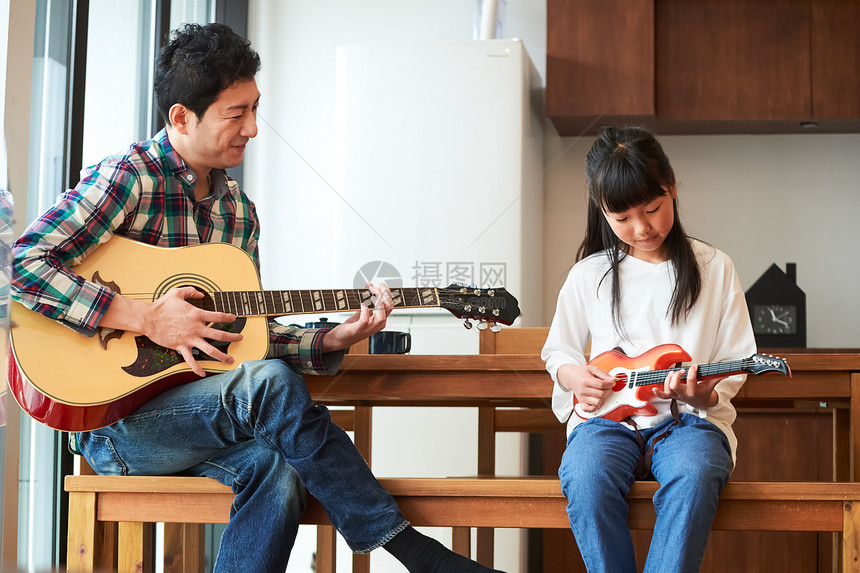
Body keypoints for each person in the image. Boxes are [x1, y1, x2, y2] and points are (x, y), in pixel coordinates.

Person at [12, 22, 502, 573]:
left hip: (204, 417)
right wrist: (147, 316)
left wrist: (336, 335)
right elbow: (23, 265)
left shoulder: (238, 213)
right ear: (181, 117)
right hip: (119, 430)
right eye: (235, 113)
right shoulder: (128, 180)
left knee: (282, 464)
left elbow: (250, 340)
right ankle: (410, 550)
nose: (252, 127)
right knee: (270, 387)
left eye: (255, 108)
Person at [541, 126, 756, 572]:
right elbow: (558, 350)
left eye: (653, 209)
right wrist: (573, 376)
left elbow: (734, 365)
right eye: (621, 219)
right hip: (606, 421)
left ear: (673, 187)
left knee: (695, 471)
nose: (641, 228)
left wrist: (701, 394)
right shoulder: (589, 274)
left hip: (687, 423)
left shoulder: (714, 268)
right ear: (602, 212)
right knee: (585, 474)